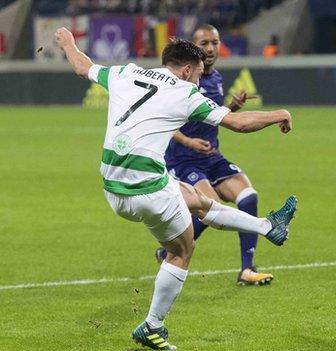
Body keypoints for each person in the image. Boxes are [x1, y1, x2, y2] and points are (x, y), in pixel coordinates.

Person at [55, 27, 297, 349]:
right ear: (186, 70)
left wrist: (69, 43)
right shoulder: (186, 93)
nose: (199, 82)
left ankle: (268, 226)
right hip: (146, 190)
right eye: (197, 75)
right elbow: (238, 124)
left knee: (199, 202)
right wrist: (279, 113)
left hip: (113, 185)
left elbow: (82, 66)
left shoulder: (127, 73)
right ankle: (152, 326)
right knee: (182, 251)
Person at [158, 24, 276, 286]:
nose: (210, 49)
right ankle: (171, 250)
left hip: (212, 157)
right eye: (204, 44)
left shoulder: (216, 78)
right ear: (194, 47)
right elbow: (163, 120)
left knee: (248, 196)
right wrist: (188, 141)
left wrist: (231, 107)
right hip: (182, 159)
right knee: (212, 208)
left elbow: (210, 113)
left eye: (214, 42)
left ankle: (247, 269)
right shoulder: (180, 81)